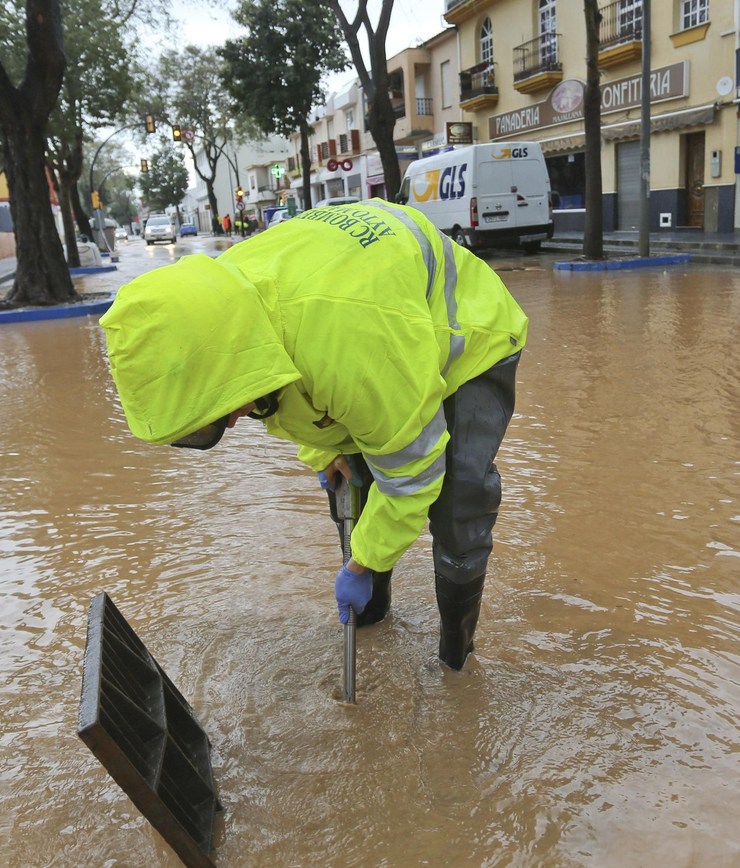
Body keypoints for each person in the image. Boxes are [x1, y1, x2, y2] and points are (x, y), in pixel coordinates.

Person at [100, 199, 527, 670]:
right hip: (365, 334)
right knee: (353, 481)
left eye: (220, 414)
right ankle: (372, 615)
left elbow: (412, 476)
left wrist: (360, 565)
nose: (234, 422)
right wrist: (320, 452)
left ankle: (455, 658)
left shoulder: (346, 347)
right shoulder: (220, 307)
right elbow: (288, 397)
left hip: (466, 337)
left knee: (456, 497)